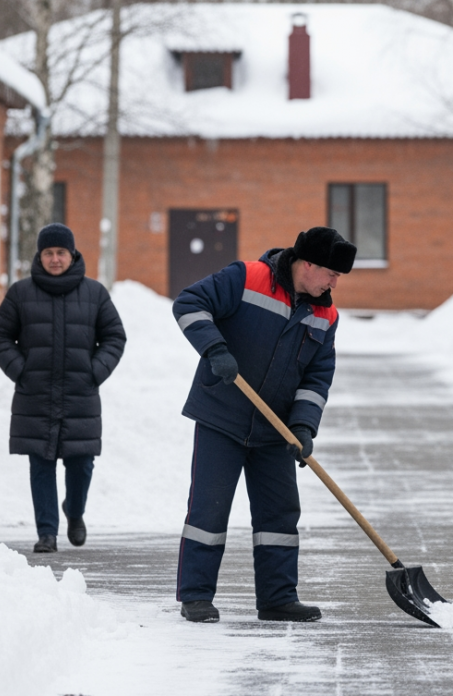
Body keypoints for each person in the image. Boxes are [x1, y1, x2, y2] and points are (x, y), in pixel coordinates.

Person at [172, 226, 356, 624]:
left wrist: (304, 427)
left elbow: (317, 377)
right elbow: (189, 304)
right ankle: (196, 595)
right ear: (308, 265)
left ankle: (277, 598)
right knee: (210, 508)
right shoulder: (247, 277)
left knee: (280, 514)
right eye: (330, 273)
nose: (334, 282)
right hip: (222, 415)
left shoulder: (326, 315)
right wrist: (214, 348)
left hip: (276, 429)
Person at [0, 223, 126, 554]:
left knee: (81, 463)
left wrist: (94, 371)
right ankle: (46, 532)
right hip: (35, 393)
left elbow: (114, 337)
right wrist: (20, 370)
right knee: (41, 462)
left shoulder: (94, 293)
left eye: (60, 252)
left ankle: (74, 512)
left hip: (80, 393)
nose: (54, 259)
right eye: (48, 253)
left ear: (72, 254)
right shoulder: (21, 293)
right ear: (40, 255)